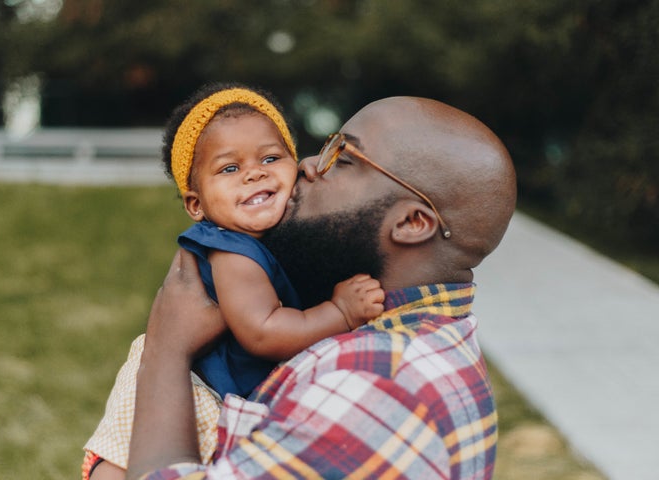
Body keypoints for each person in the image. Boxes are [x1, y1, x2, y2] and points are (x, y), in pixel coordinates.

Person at [125, 95, 517, 479]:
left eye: (343, 159)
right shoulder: (414, 337)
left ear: (412, 223)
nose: (310, 164)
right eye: (328, 146)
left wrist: (165, 352)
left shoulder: (376, 386)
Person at [82, 84, 383, 479]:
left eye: (271, 158)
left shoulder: (269, 239)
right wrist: (339, 312)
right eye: (229, 168)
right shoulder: (232, 251)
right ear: (197, 204)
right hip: (192, 392)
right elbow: (263, 331)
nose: (254, 173)